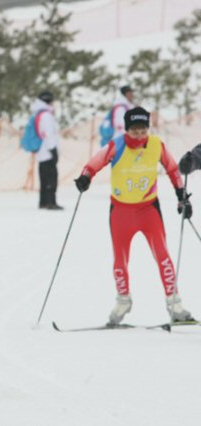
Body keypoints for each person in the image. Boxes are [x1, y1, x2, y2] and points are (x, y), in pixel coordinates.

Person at [74, 106, 194, 325]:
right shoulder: (117, 145)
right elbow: (95, 162)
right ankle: (123, 301)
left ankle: (175, 304)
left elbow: (173, 169)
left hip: (149, 210)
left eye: (143, 130)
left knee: (163, 256)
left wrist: (181, 195)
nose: (139, 135)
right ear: (127, 129)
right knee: (120, 260)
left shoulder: (157, 144)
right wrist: (85, 177)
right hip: (121, 212)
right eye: (134, 130)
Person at [32, 90, 63, 210]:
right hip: (47, 152)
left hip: (42, 152)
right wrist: (53, 151)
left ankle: (43, 201)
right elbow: (49, 134)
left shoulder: (39, 113)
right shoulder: (46, 115)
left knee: (44, 178)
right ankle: (51, 202)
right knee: (51, 177)